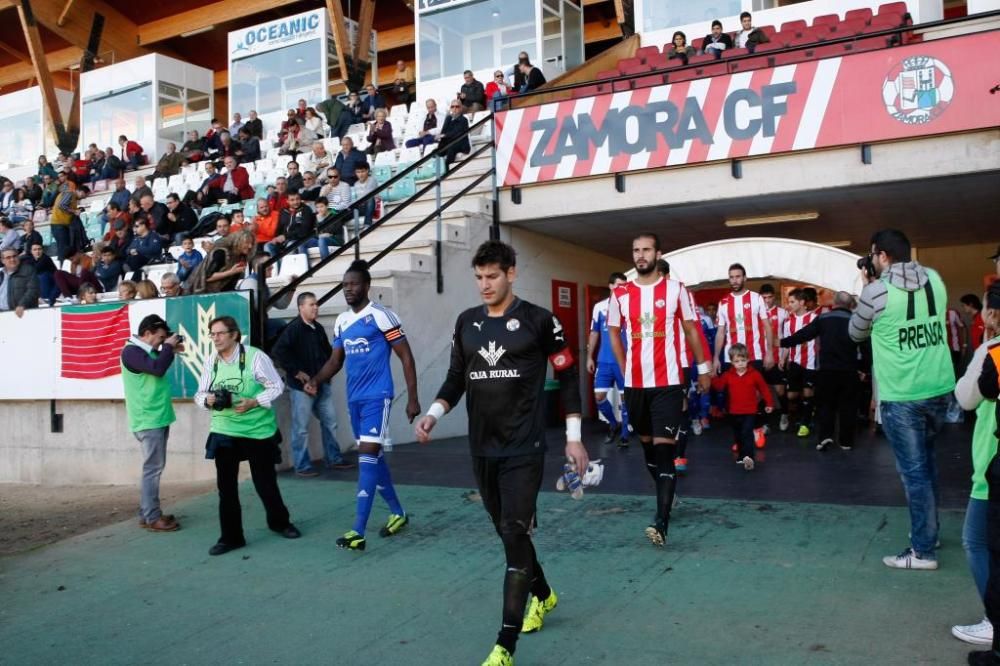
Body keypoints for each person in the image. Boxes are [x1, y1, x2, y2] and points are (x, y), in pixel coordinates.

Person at [414, 240, 586, 666]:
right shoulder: (467, 322)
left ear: (512, 273)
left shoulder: (540, 321)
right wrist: (434, 413)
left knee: (513, 532)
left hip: (523, 449)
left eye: (492, 276)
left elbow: (567, 380)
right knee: (511, 535)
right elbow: (457, 377)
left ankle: (504, 646)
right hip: (481, 448)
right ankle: (544, 595)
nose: (484, 285)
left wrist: (574, 435)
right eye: (478, 277)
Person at [849, 229, 956, 570]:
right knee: (927, 465)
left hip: (903, 394)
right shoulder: (936, 280)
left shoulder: (877, 292)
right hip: (939, 387)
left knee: (914, 474)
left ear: (880, 255)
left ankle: (923, 551)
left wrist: (866, 286)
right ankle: (930, 531)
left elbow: (855, 332)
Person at [307, 260, 420, 552]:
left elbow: (406, 356)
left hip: (377, 396)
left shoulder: (382, 316)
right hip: (354, 399)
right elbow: (335, 361)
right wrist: (316, 380)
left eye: (353, 284)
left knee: (366, 455)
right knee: (374, 458)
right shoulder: (342, 321)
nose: (348, 289)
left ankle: (357, 530)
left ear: (366, 286)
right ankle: (398, 513)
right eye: (344, 285)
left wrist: (413, 397)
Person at [607, 233, 711, 547]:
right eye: (636, 250)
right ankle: (667, 494)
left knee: (665, 451)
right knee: (649, 450)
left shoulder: (677, 290)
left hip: (668, 384)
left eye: (646, 250)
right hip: (635, 386)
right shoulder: (621, 294)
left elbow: (691, 329)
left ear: (658, 254)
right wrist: (625, 370)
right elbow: (613, 333)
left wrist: (703, 368)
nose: (640, 255)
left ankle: (661, 521)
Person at [194, 315, 301, 556]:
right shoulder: (211, 360)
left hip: (257, 430)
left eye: (220, 333)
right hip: (224, 429)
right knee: (226, 488)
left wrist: (255, 401)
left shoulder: (255, 357)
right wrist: (207, 400)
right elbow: (199, 394)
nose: (216, 338)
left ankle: (280, 523)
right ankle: (231, 538)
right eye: (212, 334)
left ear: (234, 335)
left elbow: (276, 386)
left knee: (265, 482)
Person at [272, 292, 354, 476]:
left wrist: (324, 379)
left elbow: (327, 354)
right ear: (301, 307)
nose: (316, 307)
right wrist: (296, 372)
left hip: (321, 385)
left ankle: (333, 459)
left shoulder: (317, 328)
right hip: (301, 388)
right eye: (311, 304)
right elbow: (278, 352)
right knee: (300, 428)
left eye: (316, 304)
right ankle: (302, 465)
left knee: (330, 422)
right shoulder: (293, 329)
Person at [961, 282, 1000, 663]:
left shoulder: (992, 352)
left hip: (992, 462)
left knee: (976, 542)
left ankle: (994, 618)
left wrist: (983, 347)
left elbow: (966, 396)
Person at [781, 291, 868, 451]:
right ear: (850, 305)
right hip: (849, 371)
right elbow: (865, 347)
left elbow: (804, 335)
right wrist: (864, 369)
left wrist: (782, 342)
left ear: (834, 304)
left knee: (826, 405)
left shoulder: (823, 319)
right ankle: (846, 442)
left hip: (827, 371)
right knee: (847, 407)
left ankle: (825, 437)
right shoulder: (856, 320)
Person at [121, 314, 184, 533]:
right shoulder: (131, 351)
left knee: (152, 468)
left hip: (155, 416)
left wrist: (168, 350)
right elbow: (157, 368)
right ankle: (152, 517)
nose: (161, 341)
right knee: (153, 469)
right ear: (146, 333)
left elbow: (156, 364)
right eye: (159, 337)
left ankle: (147, 512)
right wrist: (167, 348)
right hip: (148, 419)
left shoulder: (143, 351)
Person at [712, 343, 774, 470]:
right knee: (738, 435)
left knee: (747, 432)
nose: (740, 363)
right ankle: (741, 456)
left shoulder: (754, 374)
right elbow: (719, 386)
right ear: (732, 362)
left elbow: (764, 389)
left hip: (750, 411)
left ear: (748, 360)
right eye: (737, 361)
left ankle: (749, 457)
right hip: (734, 412)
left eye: (743, 360)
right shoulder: (728, 375)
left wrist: (769, 403)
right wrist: (711, 377)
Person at [587, 271, 631, 445]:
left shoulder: (630, 305)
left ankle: (625, 435)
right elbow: (594, 332)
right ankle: (614, 424)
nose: (621, 288)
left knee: (625, 399)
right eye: (618, 285)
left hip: (624, 361)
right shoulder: (600, 307)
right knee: (599, 396)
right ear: (610, 286)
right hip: (604, 360)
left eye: (624, 285)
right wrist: (589, 357)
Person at [781, 288, 818, 438]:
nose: (789, 305)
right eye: (788, 302)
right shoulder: (788, 322)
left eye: (792, 302)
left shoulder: (815, 318)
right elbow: (787, 343)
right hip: (794, 362)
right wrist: (783, 358)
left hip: (811, 362)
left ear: (802, 302)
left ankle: (805, 423)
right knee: (791, 395)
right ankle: (803, 414)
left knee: (808, 392)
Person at [759, 283, 790, 431]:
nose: (767, 300)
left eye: (770, 297)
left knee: (780, 390)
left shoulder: (783, 313)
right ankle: (765, 423)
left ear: (774, 297)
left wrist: (784, 357)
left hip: (778, 357)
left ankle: (784, 414)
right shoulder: (756, 313)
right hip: (760, 357)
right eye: (764, 297)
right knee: (760, 391)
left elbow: (787, 337)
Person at [189, 230, 254, 295]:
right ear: (238, 242)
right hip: (207, 294)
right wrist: (231, 272)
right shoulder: (221, 253)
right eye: (247, 243)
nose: (250, 246)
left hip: (226, 293)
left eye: (252, 243)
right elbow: (207, 277)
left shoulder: (241, 256)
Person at [266, 191, 316, 258]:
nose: (295, 202)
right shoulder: (283, 211)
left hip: (299, 239)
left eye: (297, 199)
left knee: (290, 244)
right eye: (292, 200)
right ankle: (277, 267)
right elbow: (279, 227)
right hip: (285, 241)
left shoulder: (306, 210)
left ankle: (287, 267)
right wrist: (276, 238)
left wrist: (285, 236)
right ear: (287, 201)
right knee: (268, 245)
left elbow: (304, 231)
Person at [0, 247, 39, 318]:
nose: (12, 259)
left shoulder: (28, 270)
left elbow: (33, 291)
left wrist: (22, 305)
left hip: (21, 313)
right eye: (8, 257)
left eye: (14, 256)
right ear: (2, 260)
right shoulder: (1, 273)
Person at [439, 101, 472, 169]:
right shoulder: (448, 118)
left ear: (461, 108)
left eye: (457, 107)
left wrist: (445, 135)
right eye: (452, 107)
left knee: (451, 148)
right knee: (435, 152)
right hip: (449, 142)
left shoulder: (463, 119)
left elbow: (457, 133)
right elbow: (443, 131)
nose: (454, 108)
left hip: (461, 144)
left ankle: (447, 170)